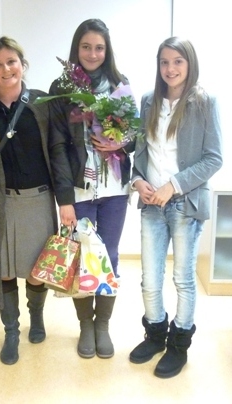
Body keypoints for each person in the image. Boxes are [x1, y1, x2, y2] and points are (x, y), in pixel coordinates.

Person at [0, 36, 71, 365]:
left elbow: (57, 150)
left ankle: (36, 317)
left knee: (38, 269)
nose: (6, 69)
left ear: (22, 65)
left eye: (11, 61)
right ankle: (11, 331)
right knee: (4, 269)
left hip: (38, 198)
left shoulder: (42, 102)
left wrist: (65, 200)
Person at [128, 37, 222, 378]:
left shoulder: (204, 102)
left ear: (189, 64)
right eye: (164, 62)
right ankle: (155, 335)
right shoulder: (148, 100)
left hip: (185, 203)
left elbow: (214, 158)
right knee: (149, 279)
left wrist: (174, 185)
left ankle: (178, 345)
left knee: (183, 278)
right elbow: (141, 152)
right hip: (151, 203)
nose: (170, 68)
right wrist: (137, 181)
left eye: (178, 61)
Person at [49, 18, 134, 359]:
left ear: (107, 50)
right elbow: (56, 146)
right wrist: (64, 199)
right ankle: (85, 324)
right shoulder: (62, 87)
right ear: (77, 48)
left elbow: (134, 136)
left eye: (99, 47)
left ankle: (103, 325)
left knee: (109, 256)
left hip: (114, 188)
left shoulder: (119, 85)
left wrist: (120, 142)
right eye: (86, 47)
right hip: (79, 189)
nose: (93, 53)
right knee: (83, 258)